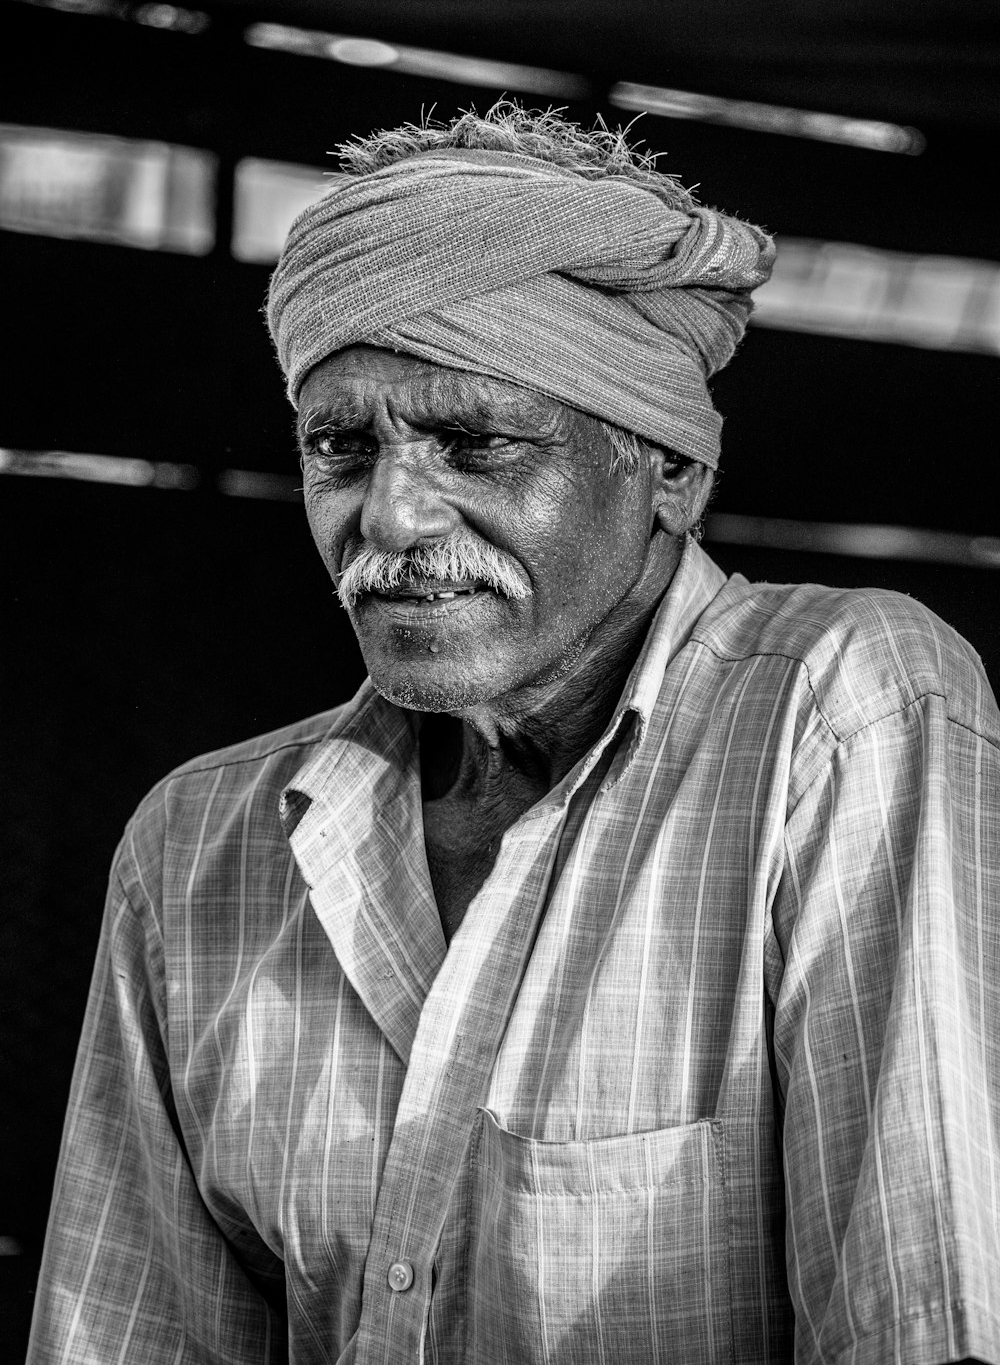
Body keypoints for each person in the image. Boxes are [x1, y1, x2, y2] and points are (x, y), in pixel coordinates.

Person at [28, 102, 1000, 1365]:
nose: (386, 516)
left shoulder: (840, 707)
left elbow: (922, 1320)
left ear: (667, 472)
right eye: (339, 447)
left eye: (475, 443)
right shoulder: (200, 841)